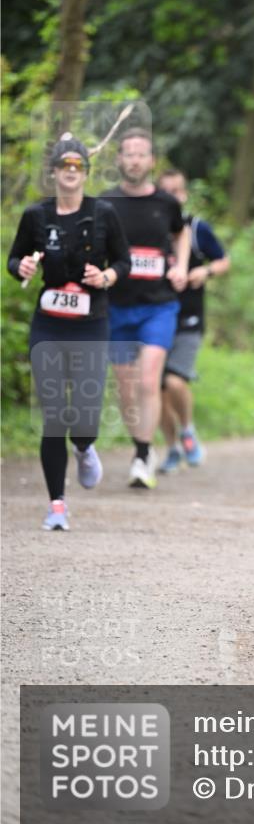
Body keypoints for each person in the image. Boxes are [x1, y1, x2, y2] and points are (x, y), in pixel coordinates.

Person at [7, 135, 131, 530]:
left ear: (86, 172)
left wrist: (106, 276)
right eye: (65, 165)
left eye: (78, 166)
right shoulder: (36, 216)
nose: (71, 172)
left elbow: (124, 261)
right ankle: (56, 505)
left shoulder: (103, 213)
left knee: (84, 414)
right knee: (53, 415)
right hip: (49, 323)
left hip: (91, 323)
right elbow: (14, 258)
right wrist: (21, 267)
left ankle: (83, 446)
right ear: (54, 172)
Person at [101, 129, 190, 488]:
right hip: (117, 306)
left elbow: (181, 232)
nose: (135, 160)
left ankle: (141, 457)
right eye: (129, 154)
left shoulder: (166, 202)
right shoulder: (105, 203)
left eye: (141, 154)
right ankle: (143, 446)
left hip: (158, 306)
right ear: (119, 160)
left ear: (151, 161)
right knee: (126, 387)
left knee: (149, 378)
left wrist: (181, 265)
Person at [156, 169, 230, 472]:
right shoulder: (148, 229)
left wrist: (205, 271)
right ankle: (172, 448)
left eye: (176, 191)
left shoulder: (197, 228)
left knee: (174, 381)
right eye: (166, 191)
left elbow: (223, 260)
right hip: (154, 316)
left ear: (184, 195)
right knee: (156, 390)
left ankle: (187, 430)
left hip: (188, 317)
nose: (172, 197)